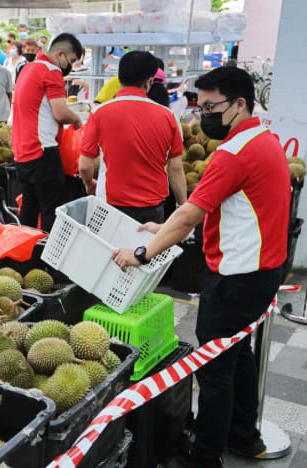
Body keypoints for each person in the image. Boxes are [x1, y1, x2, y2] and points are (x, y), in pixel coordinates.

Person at [111, 66, 290, 468]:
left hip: (236, 279)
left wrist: (142, 251)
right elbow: (232, 209)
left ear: (239, 103)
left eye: (211, 106)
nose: (203, 115)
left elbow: (190, 213)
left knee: (214, 368)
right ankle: (243, 436)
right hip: (262, 273)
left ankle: (206, 455)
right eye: (200, 106)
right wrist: (164, 227)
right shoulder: (264, 139)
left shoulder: (233, 153)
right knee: (236, 354)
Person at [78, 51, 186, 224]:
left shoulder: (100, 113)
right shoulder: (168, 116)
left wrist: (89, 184)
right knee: (146, 250)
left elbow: (84, 165)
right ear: (149, 81)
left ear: (119, 78)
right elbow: (175, 168)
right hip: (152, 209)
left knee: (110, 251)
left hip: (109, 206)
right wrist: (182, 205)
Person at [12, 33, 84, 231]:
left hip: (22, 152)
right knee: (51, 210)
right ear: (60, 54)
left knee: (29, 207)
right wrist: (77, 119)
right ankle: (48, 259)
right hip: (43, 151)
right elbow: (60, 113)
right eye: (70, 61)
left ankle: (27, 256)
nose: (69, 66)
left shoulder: (28, 68)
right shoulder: (51, 71)